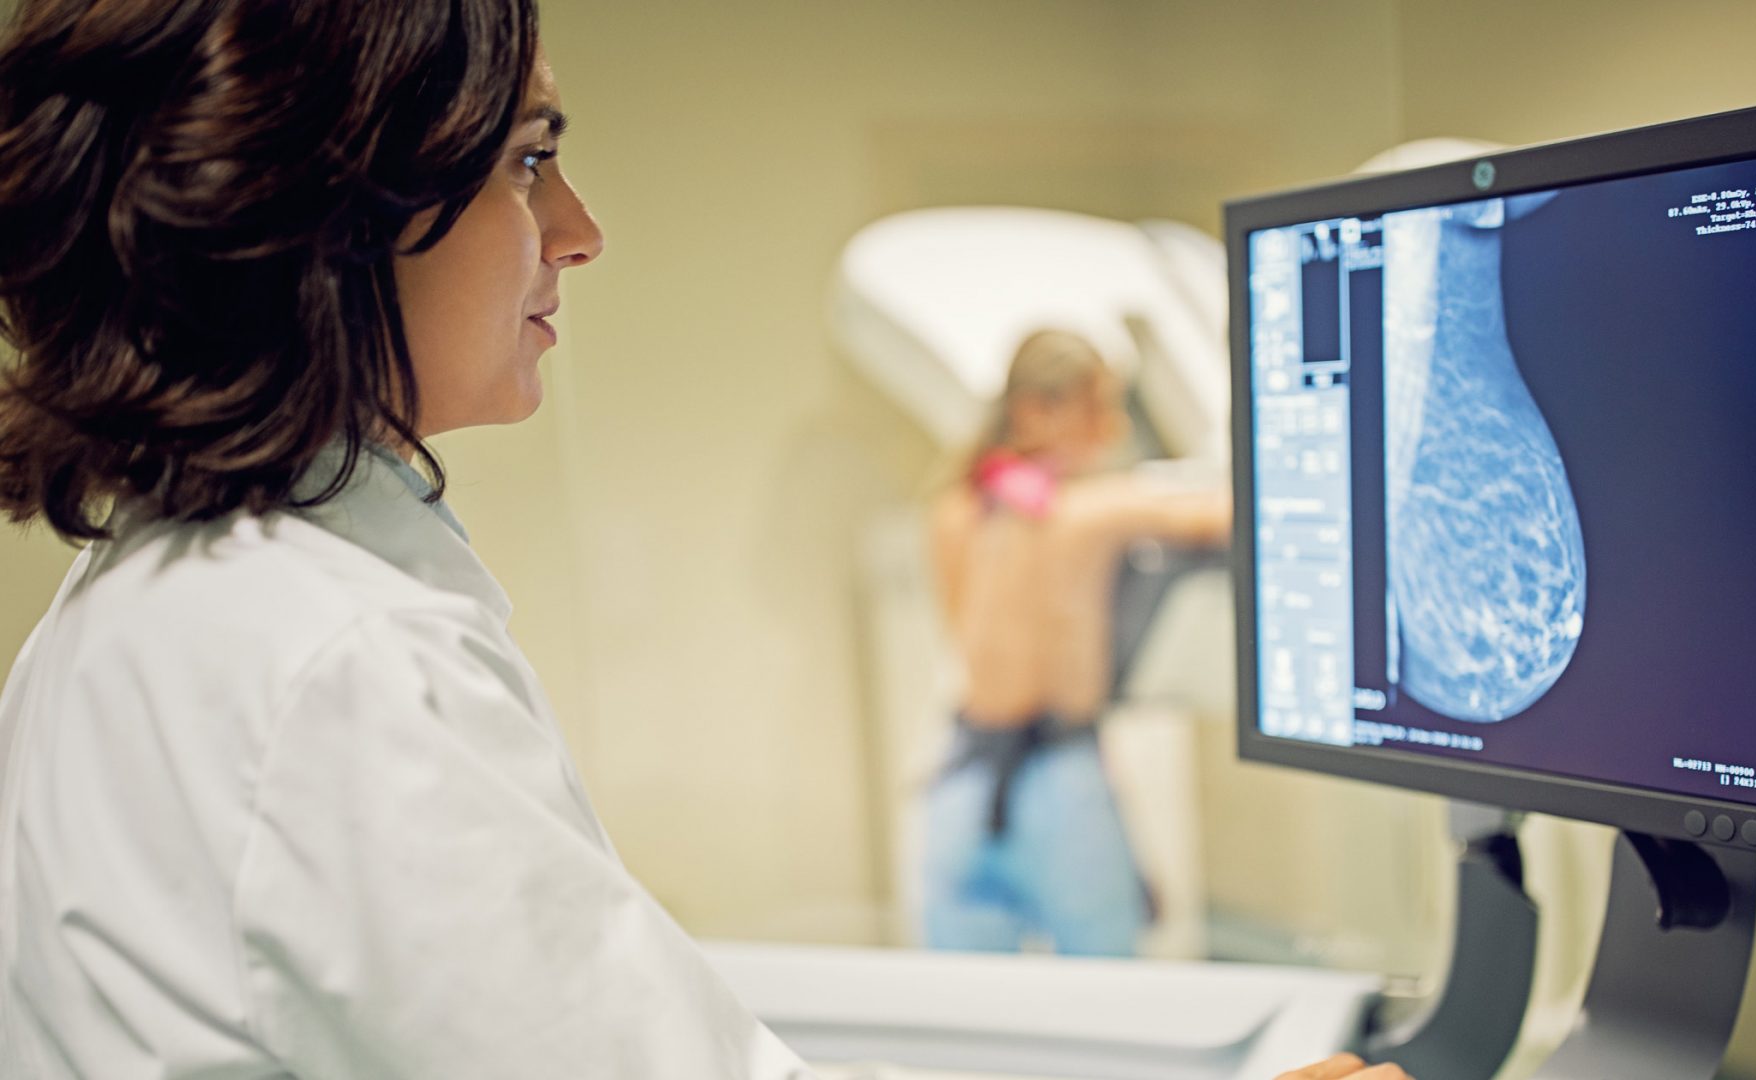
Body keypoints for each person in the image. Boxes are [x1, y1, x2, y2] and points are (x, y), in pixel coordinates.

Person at [0, 2, 1410, 1078]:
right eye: (529, 161)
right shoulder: (334, 663)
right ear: (330, 209)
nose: (582, 229)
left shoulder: (124, 613)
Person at [922, 329, 1231, 956]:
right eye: (1101, 406)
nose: (1115, 428)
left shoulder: (952, 512)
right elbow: (1229, 517)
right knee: (1109, 983)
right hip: (1057, 782)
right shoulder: (1088, 514)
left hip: (958, 782)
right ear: (1037, 412)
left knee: (966, 1004)